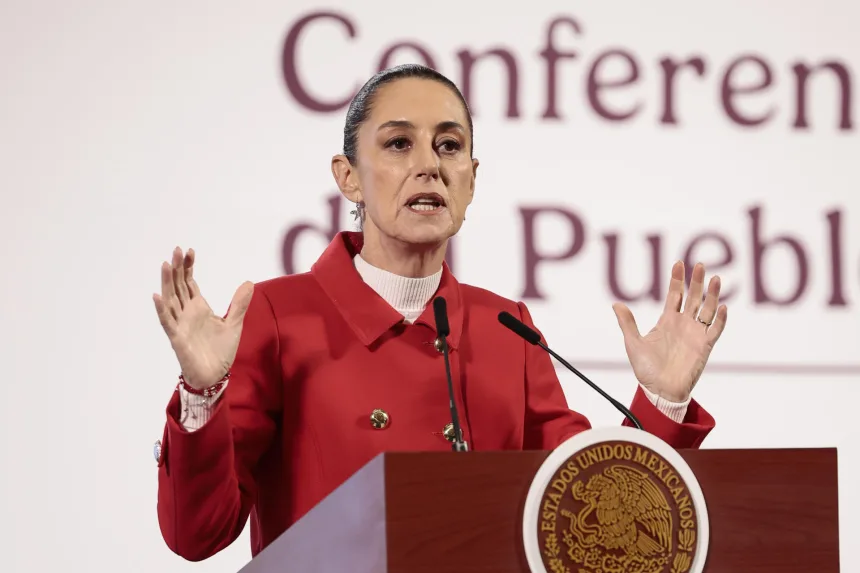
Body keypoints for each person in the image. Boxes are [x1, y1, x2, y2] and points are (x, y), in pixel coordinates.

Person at [152, 64, 727, 562]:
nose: (429, 166)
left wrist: (661, 403)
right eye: (399, 144)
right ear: (347, 175)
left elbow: (588, 514)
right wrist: (203, 393)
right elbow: (197, 535)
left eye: (448, 146)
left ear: (471, 180)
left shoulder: (509, 330)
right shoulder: (281, 316)